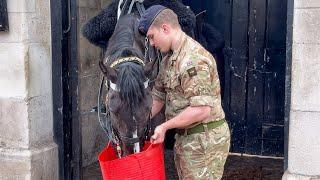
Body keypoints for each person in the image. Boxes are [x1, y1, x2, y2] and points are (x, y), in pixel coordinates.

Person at [138, 5, 231, 180]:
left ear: (165, 28)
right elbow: (158, 96)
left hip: (204, 141)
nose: (151, 43)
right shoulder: (168, 60)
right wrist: (138, 120)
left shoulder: (192, 60)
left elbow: (202, 109)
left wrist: (164, 126)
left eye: (152, 36)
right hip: (186, 140)